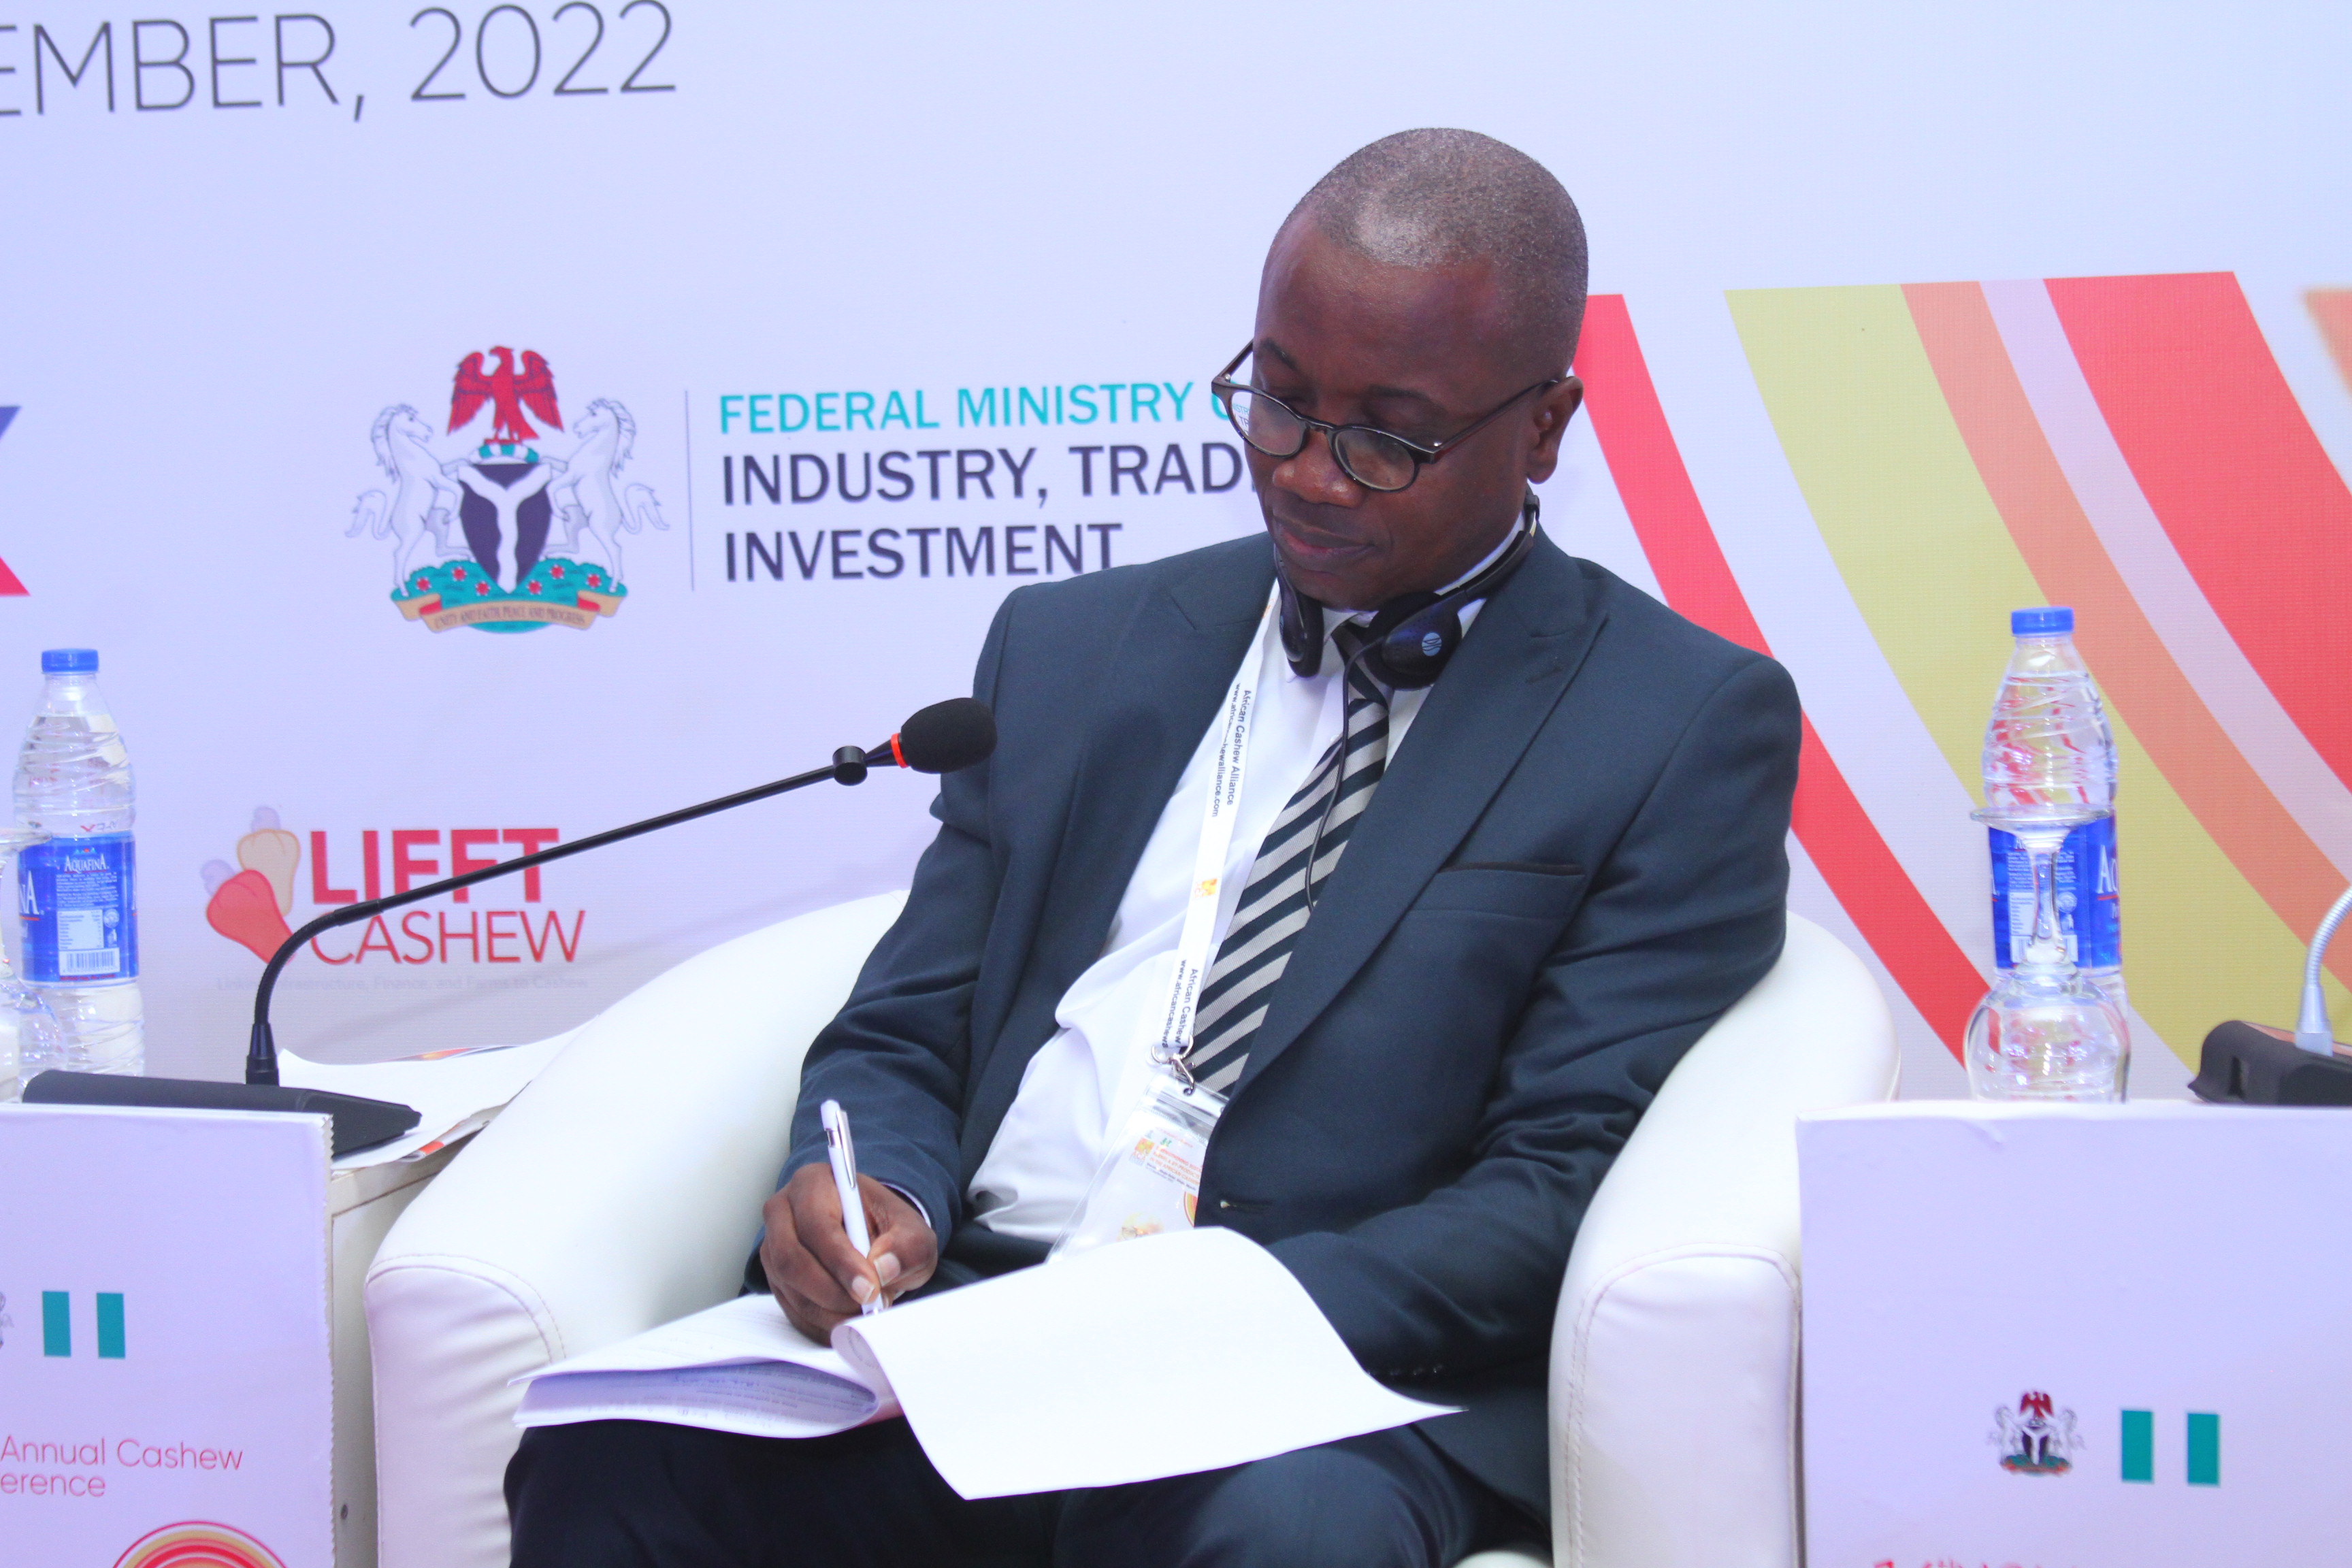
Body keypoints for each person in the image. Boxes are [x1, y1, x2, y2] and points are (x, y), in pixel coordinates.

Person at [507, 127, 1800, 1568]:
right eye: (1281, 401)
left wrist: (1165, 1323)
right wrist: (878, 1193)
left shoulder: (1676, 724)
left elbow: (1549, 1188)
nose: (1308, 475)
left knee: (1282, 1540)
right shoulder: (1074, 648)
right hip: (972, 1325)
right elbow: (908, 1027)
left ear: (1546, 426)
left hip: (1309, 1386)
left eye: (1387, 437)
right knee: (611, 1461)